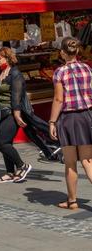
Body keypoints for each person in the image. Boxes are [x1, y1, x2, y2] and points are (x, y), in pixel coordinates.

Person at [0, 45, 55, 182]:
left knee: (1, 142)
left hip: (11, 113)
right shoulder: (0, 74)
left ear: (7, 58)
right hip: (0, 112)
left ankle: (22, 166)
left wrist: (17, 114)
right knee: (7, 143)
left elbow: (16, 96)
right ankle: (9, 172)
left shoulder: (15, 74)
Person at [49, 36, 92, 210]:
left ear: (62, 53)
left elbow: (59, 99)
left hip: (69, 118)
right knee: (88, 161)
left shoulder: (60, 72)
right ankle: (72, 200)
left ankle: (72, 200)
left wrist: (52, 121)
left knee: (70, 162)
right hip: (87, 115)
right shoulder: (87, 69)